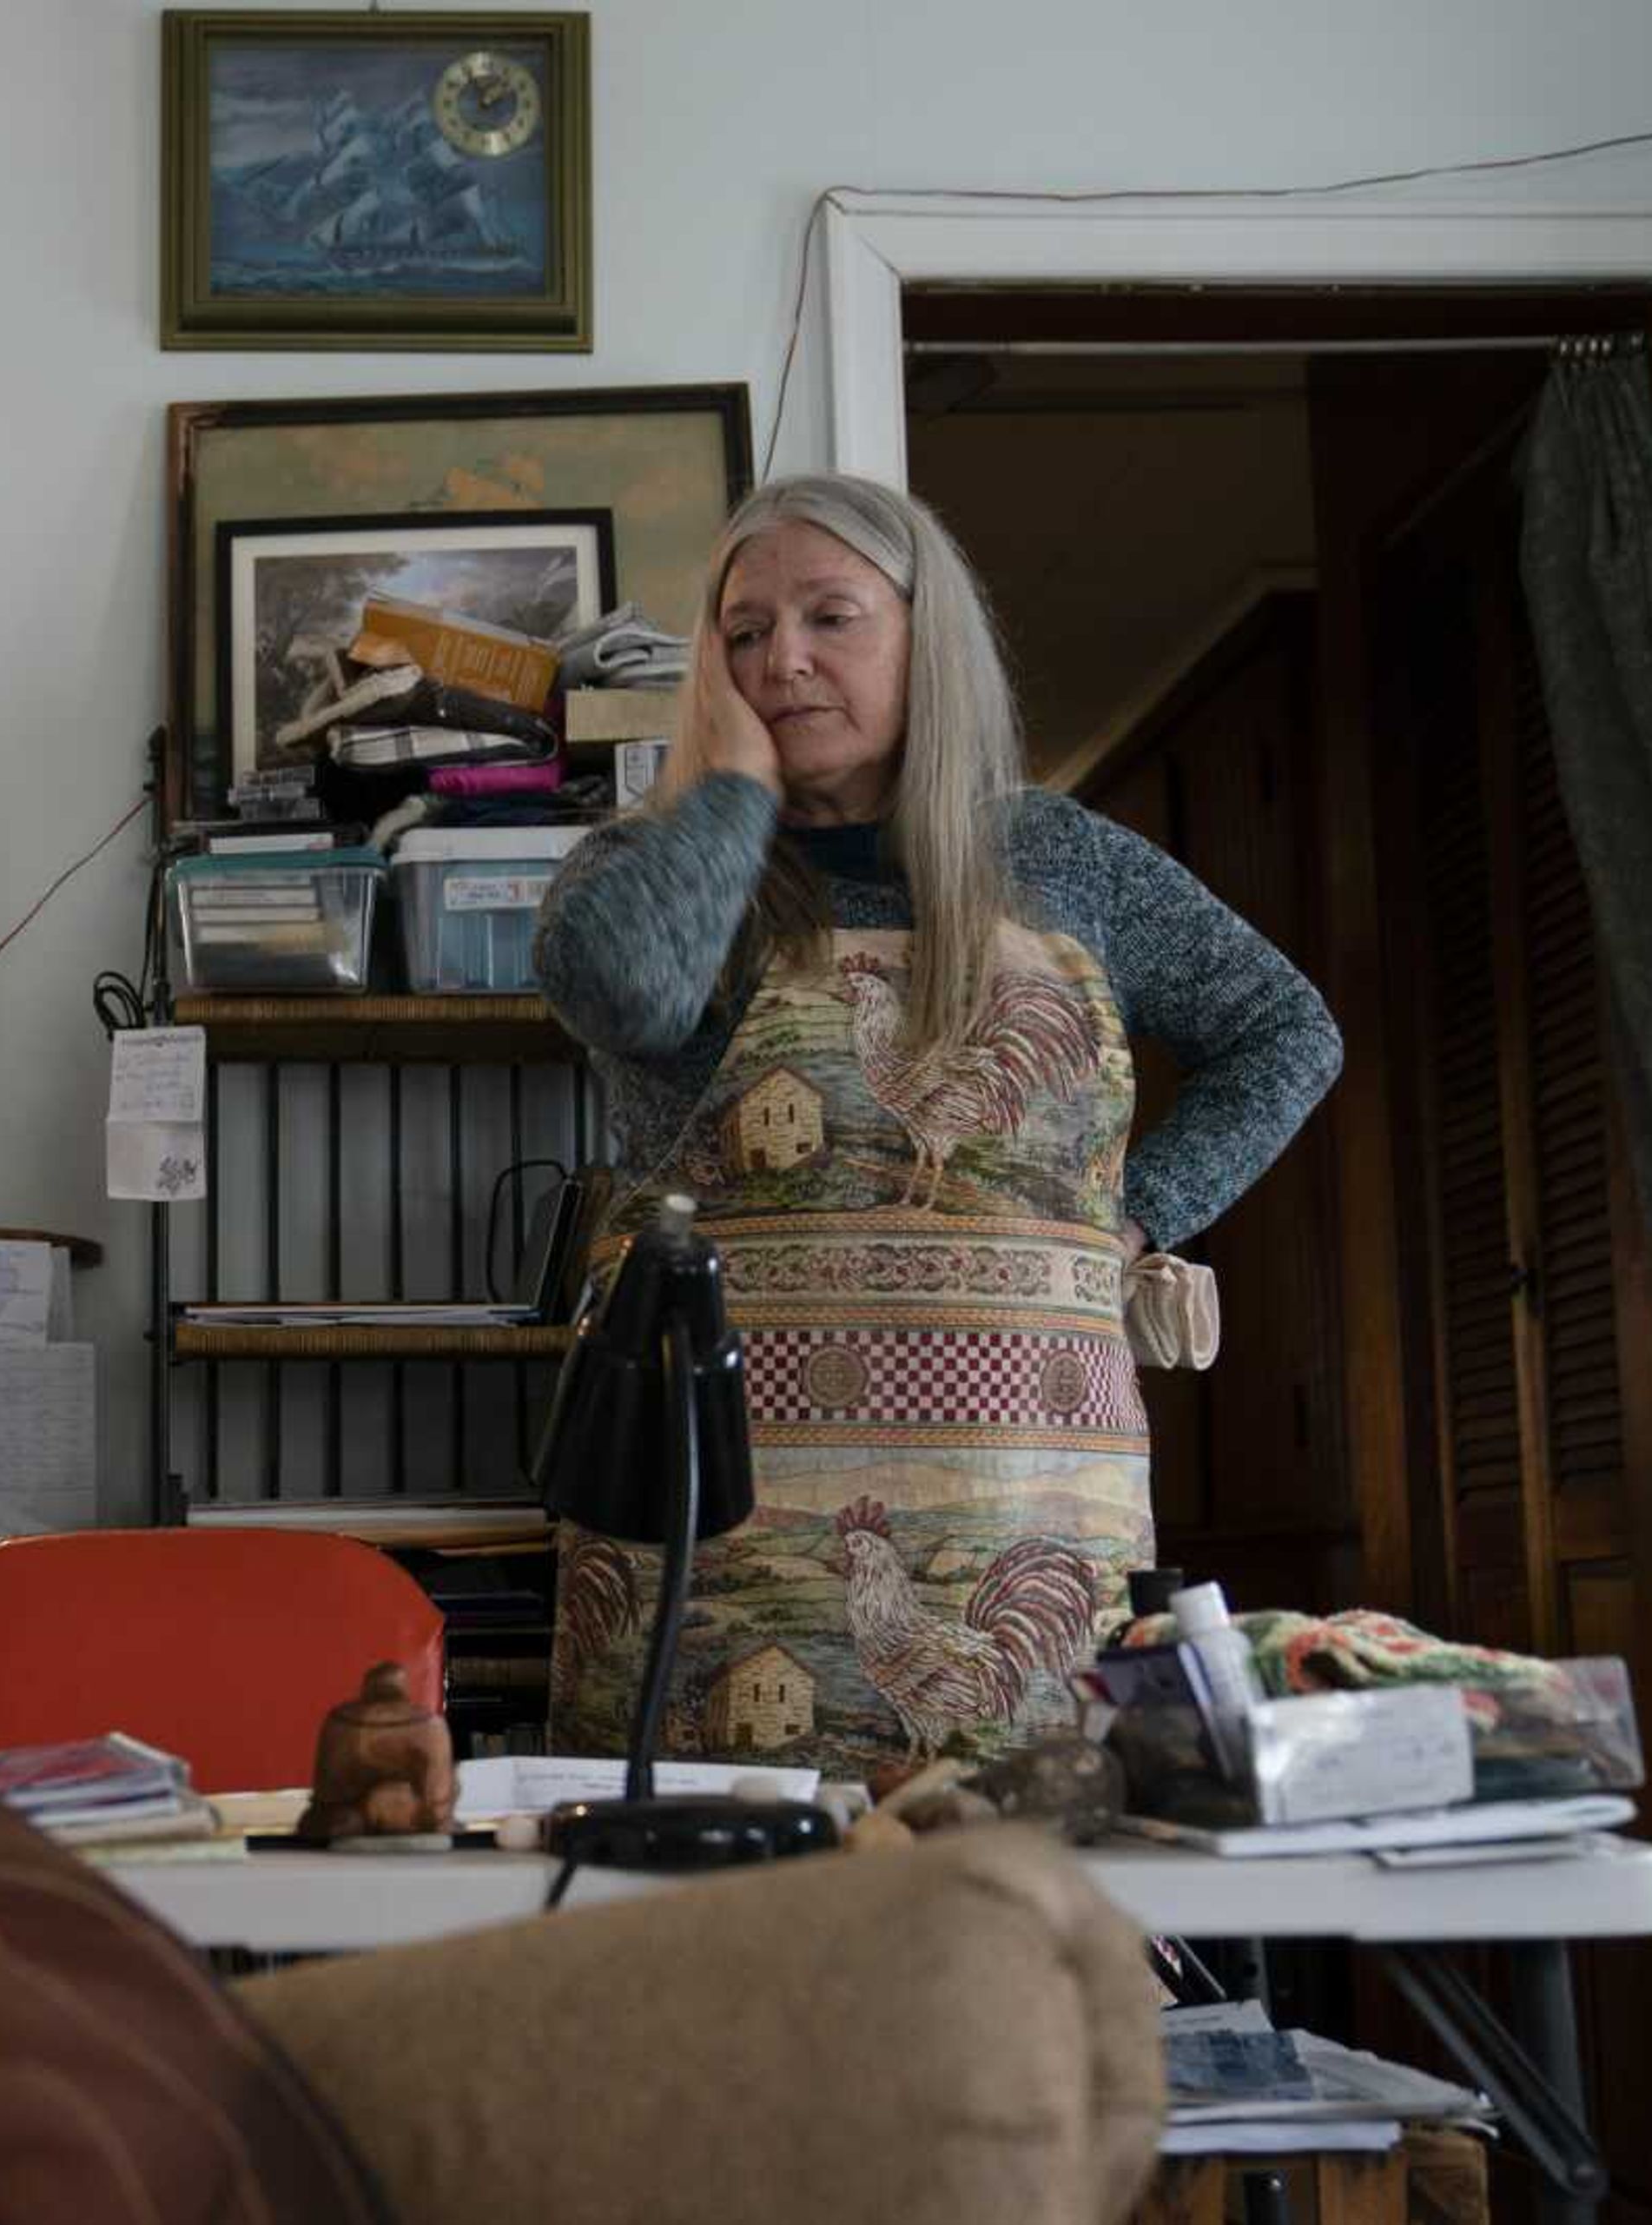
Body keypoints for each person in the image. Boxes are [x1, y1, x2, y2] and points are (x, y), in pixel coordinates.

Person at [534, 473, 1341, 1781]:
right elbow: (621, 987)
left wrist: (1136, 1212)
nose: (781, 658)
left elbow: (1289, 1030)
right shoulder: (657, 867)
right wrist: (730, 792)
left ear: (926, 637)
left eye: (828, 616)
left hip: (1022, 1519)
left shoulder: (1065, 861)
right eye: (742, 631)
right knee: (713, 1940)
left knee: (1008, 1926)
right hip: (714, 1535)